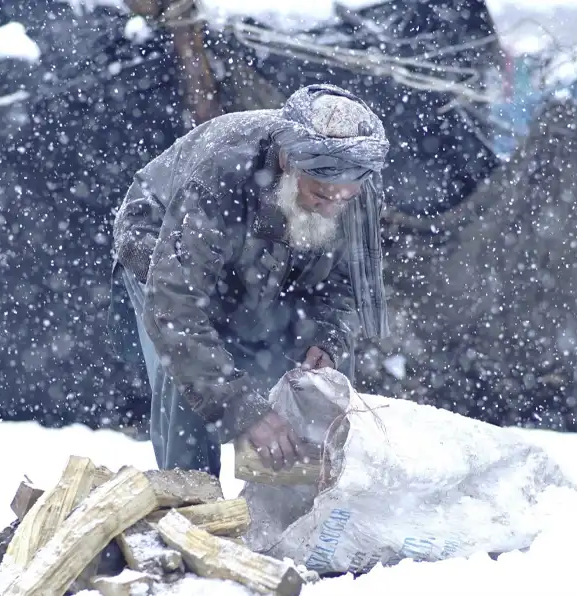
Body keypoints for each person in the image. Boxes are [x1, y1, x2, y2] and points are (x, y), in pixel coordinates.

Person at [110, 83, 391, 478]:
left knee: (319, 377)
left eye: (344, 198)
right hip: (163, 245)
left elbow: (348, 284)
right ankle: (190, 507)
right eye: (321, 194)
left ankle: (302, 508)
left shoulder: (357, 181)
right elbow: (176, 312)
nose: (333, 207)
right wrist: (243, 410)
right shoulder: (222, 175)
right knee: (189, 372)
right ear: (288, 162)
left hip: (271, 266)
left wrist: (328, 341)